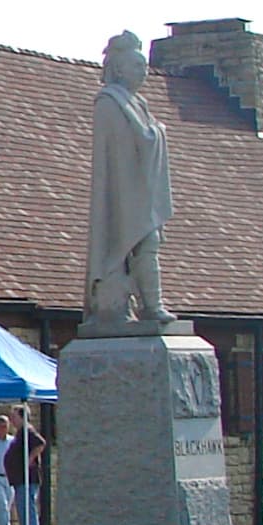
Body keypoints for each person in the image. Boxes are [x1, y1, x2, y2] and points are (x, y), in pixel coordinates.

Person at [87, 30, 177, 333]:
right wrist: (155, 133)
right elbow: (119, 152)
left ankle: (152, 305)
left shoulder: (137, 103)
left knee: (149, 244)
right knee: (140, 245)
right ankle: (145, 305)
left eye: (145, 66)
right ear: (120, 68)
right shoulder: (109, 103)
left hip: (140, 189)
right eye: (137, 66)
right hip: (123, 195)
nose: (144, 72)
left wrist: (156, 132)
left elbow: (147, 138)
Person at [8, 405, 50, 525]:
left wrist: (30, 459)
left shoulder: (27, 430)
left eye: (14, 417)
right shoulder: (20, 433)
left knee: (27, 508)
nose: (11, 420)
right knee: (22, 509)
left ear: (22, 416)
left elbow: (40, 443)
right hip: (19, 479)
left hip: (27, 478)